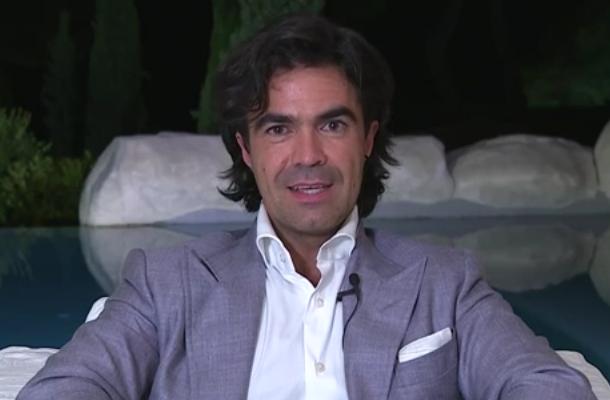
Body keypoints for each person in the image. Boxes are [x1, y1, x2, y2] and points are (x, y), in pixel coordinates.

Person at [18, 14, 594, 400]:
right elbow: (66, 388)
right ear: (246, 150)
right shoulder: (167, 283)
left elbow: (546, 385)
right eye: (278, 128)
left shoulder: (444, 283)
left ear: (367, 139)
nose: (308, 155)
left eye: (333, 125)